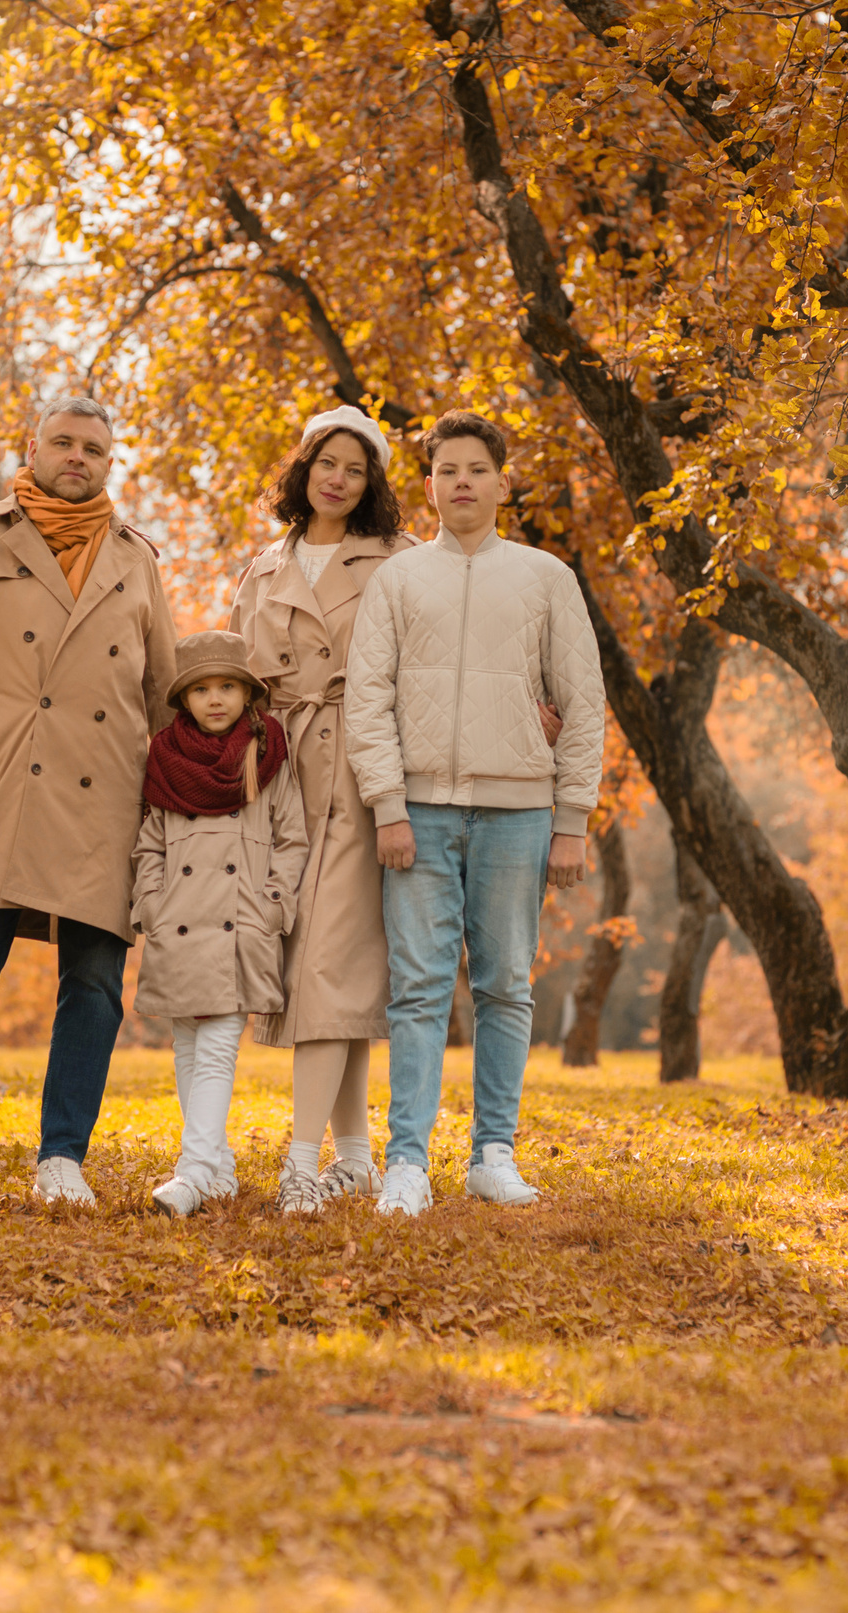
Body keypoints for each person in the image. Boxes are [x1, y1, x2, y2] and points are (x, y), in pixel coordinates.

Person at [0, 395, 179, 1211]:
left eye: (94, 446)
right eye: (64, 442)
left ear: (108, 460)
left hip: (108, 798)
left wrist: (178, 810)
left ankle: (62, 1158)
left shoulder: (135, 557)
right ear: (34, 445)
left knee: (93, 986)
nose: (77, 456)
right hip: (2, 788)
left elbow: (165, 692)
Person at [341, 408, 606, 1217]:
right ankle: (407, 1163)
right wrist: (387, 806)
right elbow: (368, 701)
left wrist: (571, 818)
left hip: (518, 813)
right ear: (429, 485)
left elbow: (583, 702)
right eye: (447, 470)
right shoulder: (398, 579)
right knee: (418, 990)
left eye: (476, 470)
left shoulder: (545, 576)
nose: (462, 482)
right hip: (417, 812)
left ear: (501, 481)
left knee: (504, 987)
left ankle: (494, 1152)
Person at [224, 405, 415, 1213]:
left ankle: (302, 1162)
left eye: (355, 466)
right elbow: (235, 676)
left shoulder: (399, 561)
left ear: (371, 482)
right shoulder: (265, 567)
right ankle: (357, 1157)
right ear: (302, 469)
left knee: (331, 964)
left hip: (359, 773)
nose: (337, 477)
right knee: (319, 967)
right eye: (325, 462)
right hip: (277, 774)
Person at [130, 629, 308, 1217]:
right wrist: (151, 904)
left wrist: (271, 906)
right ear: (183, 699)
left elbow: (291, 839)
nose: (215, 699)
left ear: (247, 694)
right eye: (201, 688)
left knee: (216, 1050)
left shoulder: (268, 753)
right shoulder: (166, 758)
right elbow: (149, 844)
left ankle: (193, 1170)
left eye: (227, 686)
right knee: (186, 1045)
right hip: (179, 921)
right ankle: (219, 1170)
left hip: (239, 923)